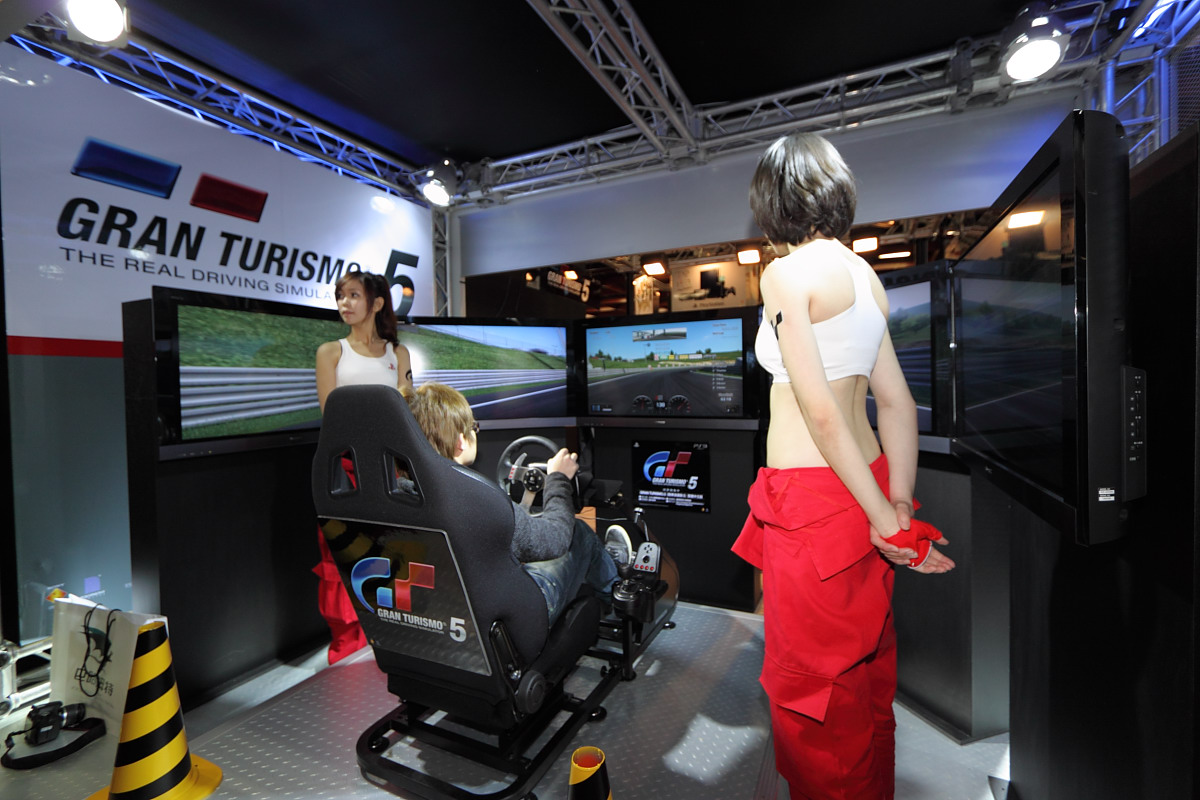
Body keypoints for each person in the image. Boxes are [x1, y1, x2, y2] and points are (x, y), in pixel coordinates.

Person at [733, 132, 955, 800]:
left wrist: (884, 518)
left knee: (814, 705)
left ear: (772, 202)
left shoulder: (785, 274)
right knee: (864, 681)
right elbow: (898, 404)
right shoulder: (866, 278)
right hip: (870, 486)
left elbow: (820, 412)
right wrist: (898, 506)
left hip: (814, 507)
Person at [403, 382, 631, 626]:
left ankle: (608, 568)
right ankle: (614, 591)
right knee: (578, 533)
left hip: (441, 613)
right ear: (461, 441)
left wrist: (522, 512)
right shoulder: (479, 500)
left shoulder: (401, 492)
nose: (475, 433)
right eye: (473, 427)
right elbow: (556, 539)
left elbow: (504, 535)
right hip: (510, 622)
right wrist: (558, 478)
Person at [314, 270, 414, 663]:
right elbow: (331, 416)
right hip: (345, 469)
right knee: (342, 550)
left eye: (354, 295)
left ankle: (398, 635)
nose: (345, 303)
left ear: (377, 303)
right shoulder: (331, 352)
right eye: (341, 295)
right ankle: (348, 647)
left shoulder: (398, 354)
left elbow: (408, 409)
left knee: (393, 548)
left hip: (393, 468)